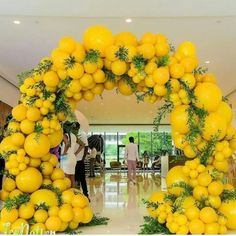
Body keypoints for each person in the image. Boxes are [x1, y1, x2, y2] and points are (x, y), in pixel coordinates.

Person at [60, 122, 80, 187]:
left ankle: (68, 193)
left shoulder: (64, 135)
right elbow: (82, 145)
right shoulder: (74, 136)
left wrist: (64, 153)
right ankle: (73, 192)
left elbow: (67, 144)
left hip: (66, 157)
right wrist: (76, 153)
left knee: (66, 178)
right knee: (72, 176)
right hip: (73, 157)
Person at [74, 129, 89, 198]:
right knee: (75, 179)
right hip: (72, 160)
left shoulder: (82, 134)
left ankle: (86, 194)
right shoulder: (71, 135)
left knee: (82, 179)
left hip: (79, 160)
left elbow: (85, 146)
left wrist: (83, 158)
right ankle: (77, 195)